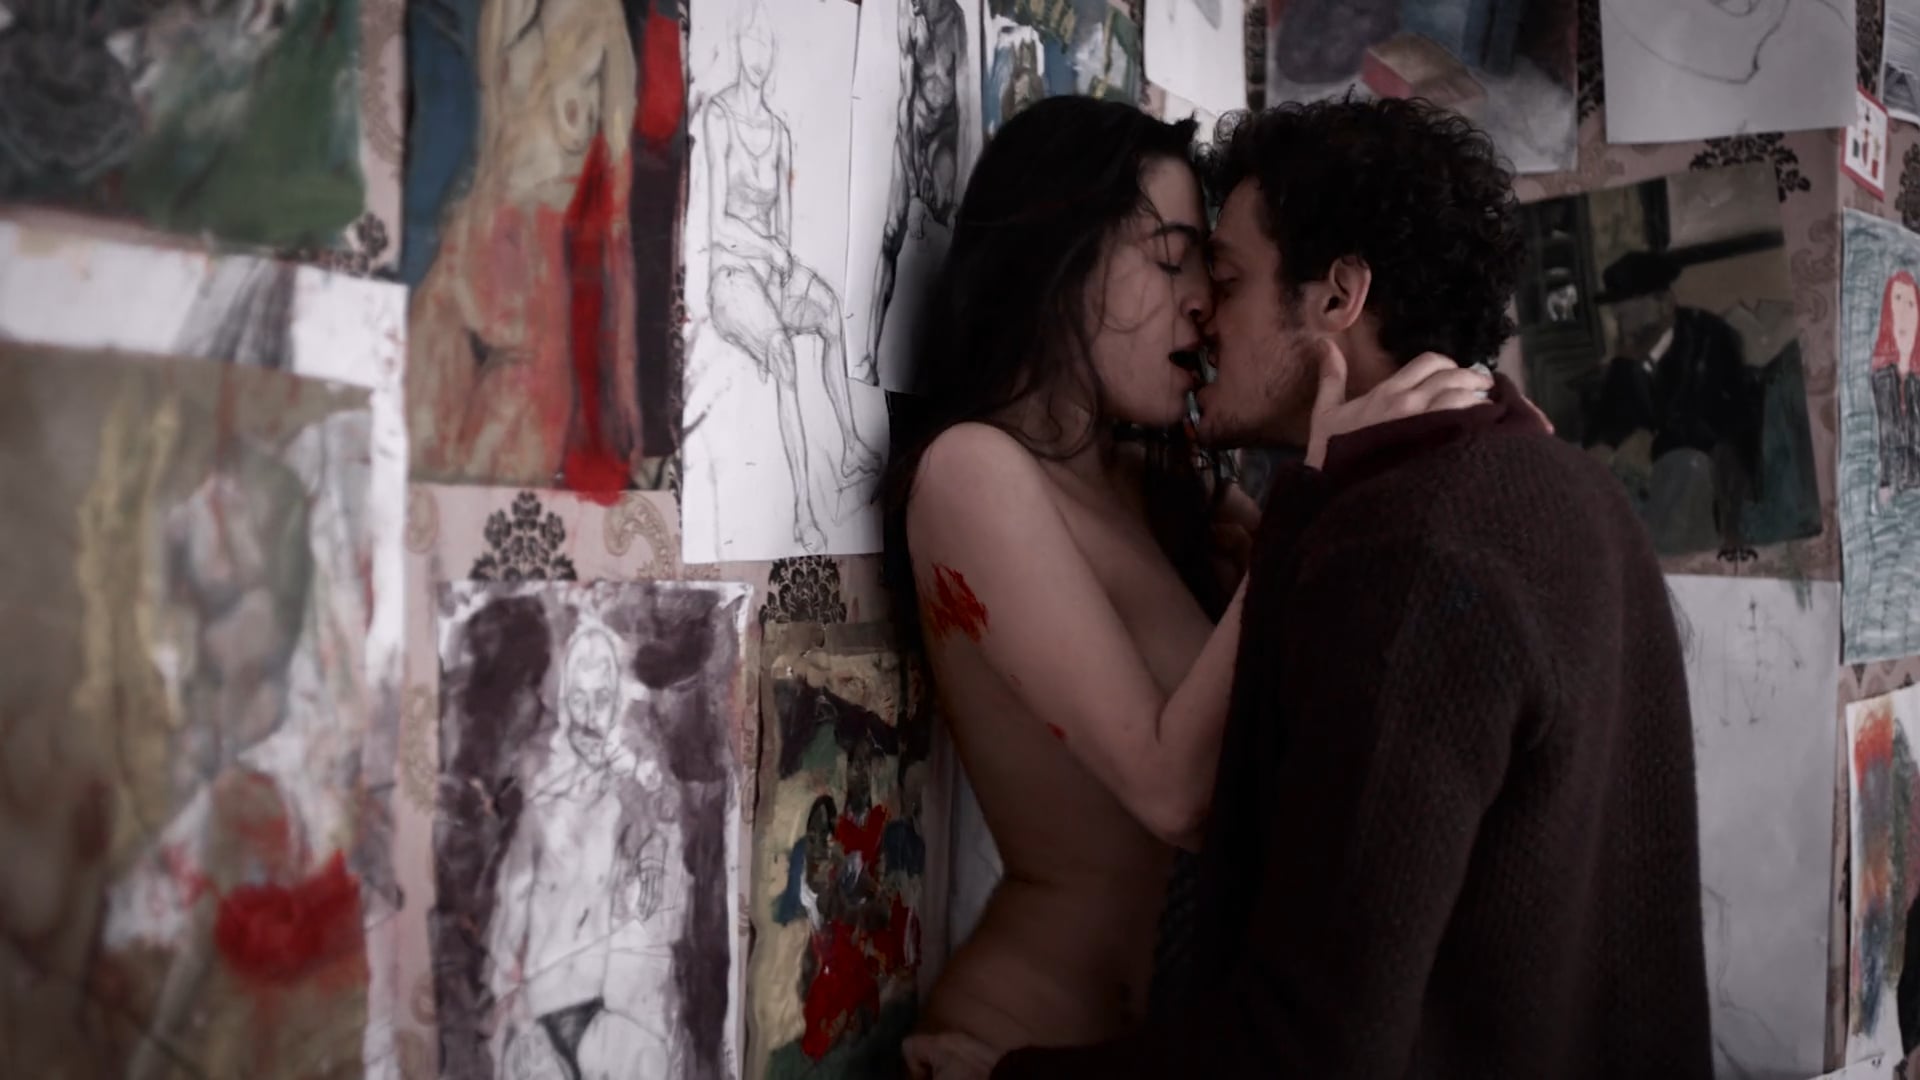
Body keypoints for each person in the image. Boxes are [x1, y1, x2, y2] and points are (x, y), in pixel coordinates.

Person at [979, 96, 1713, 1080]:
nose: (1201, 311)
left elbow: (1305, 1048)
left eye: (1223, 277)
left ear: (1338, 298)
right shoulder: (1571, 487)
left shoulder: (1407, 552)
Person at [881, 96, 1492, 1078]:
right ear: (1063, 257)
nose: (1203, 302)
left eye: (1209, 269)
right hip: (1014, 1043)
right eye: (1171, 261)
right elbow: (1172, 794)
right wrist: (1312, 494)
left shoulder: (1159, 488)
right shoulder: (973, 471)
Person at [701, 4, 883, 550]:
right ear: (738, 45)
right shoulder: (718, 116)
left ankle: (850, 446)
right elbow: (717, 225)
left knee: (828, 309)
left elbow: (782, 222)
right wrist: (768, 252)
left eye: (766, 43)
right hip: (730, 276)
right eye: (751, 41)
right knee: (782, 349)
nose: (759, 54)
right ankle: (803, 511)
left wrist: (783, 271)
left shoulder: (779, 132)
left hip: (768, 273)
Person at [1583, 248, 1762, 557]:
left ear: (1664, 303)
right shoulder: (1627, 357)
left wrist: (1646, 443)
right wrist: (1601, 452)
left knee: (1684, 466)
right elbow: (1604, 428)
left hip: (1708, 476)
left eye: (1626, 307)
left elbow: (1722, 429)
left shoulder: (1710, 340)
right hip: (1651, 481)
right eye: (1616, 311)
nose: (1618, 320)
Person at [1870, 270, 1920, 503]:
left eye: (1910, 304)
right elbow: (1884, 437)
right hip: (1892, 492)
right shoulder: (1881, 377)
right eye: (1897, 300)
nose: (1903, 314)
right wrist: (1886, 485)